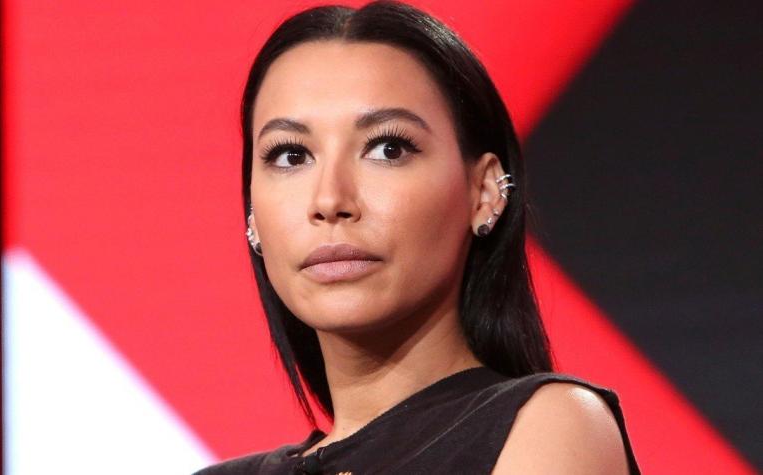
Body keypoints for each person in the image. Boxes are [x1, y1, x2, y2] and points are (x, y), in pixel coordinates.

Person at [197, 1, 640, 473]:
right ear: (252, 213)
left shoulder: (547, 426)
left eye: (388, 149)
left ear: (484, 192)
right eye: (290, 156)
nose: (329, 200)